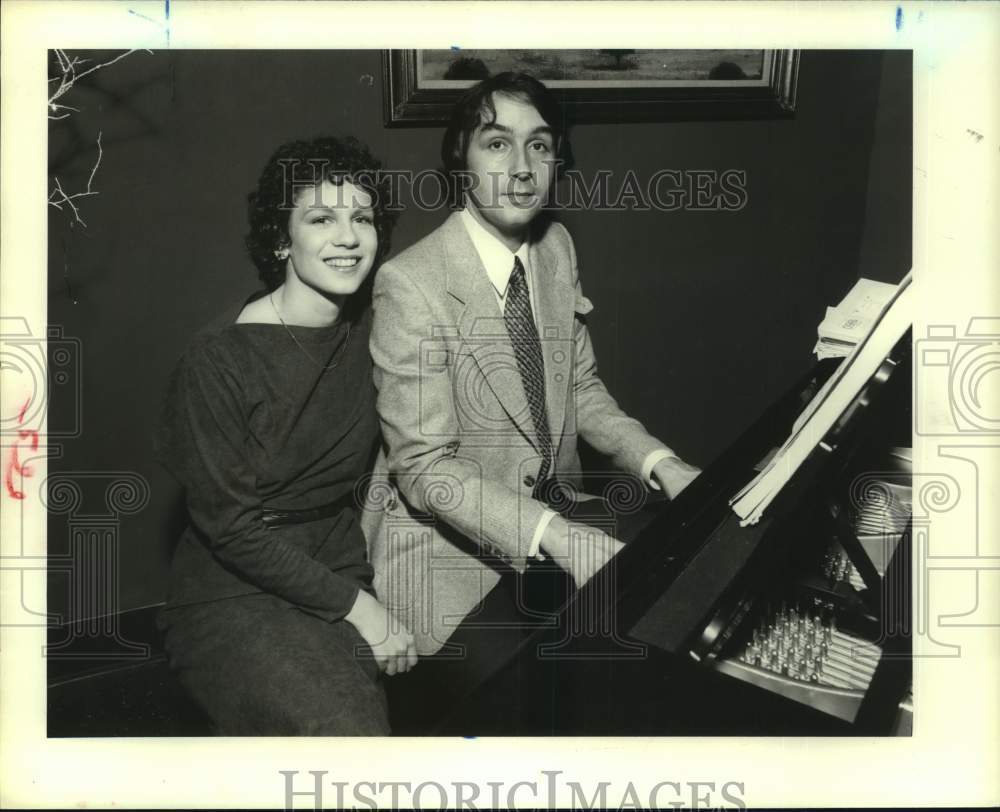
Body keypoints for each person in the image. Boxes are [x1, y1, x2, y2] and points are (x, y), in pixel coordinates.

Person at [361, 73, 701, 729]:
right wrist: (556, 539)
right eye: (497, 144)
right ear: (462, 156)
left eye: (540, 147)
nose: (520, 169)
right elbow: (428, 470)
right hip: (446, 559)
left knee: (656, 640)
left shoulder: (555, 248)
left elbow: (581, 389)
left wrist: (663, 465)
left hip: (555, 513)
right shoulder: (411, 286)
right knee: (524, 704)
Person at [155, 136, 414, 736]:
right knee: (344, 733)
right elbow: (229, 528)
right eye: (321, 218)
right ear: (280, 238)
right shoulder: (217, 361)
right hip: (232, 588)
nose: (347, 237)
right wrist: (361, 610)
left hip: (338, 560)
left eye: (362, 218)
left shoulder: (377, 328)